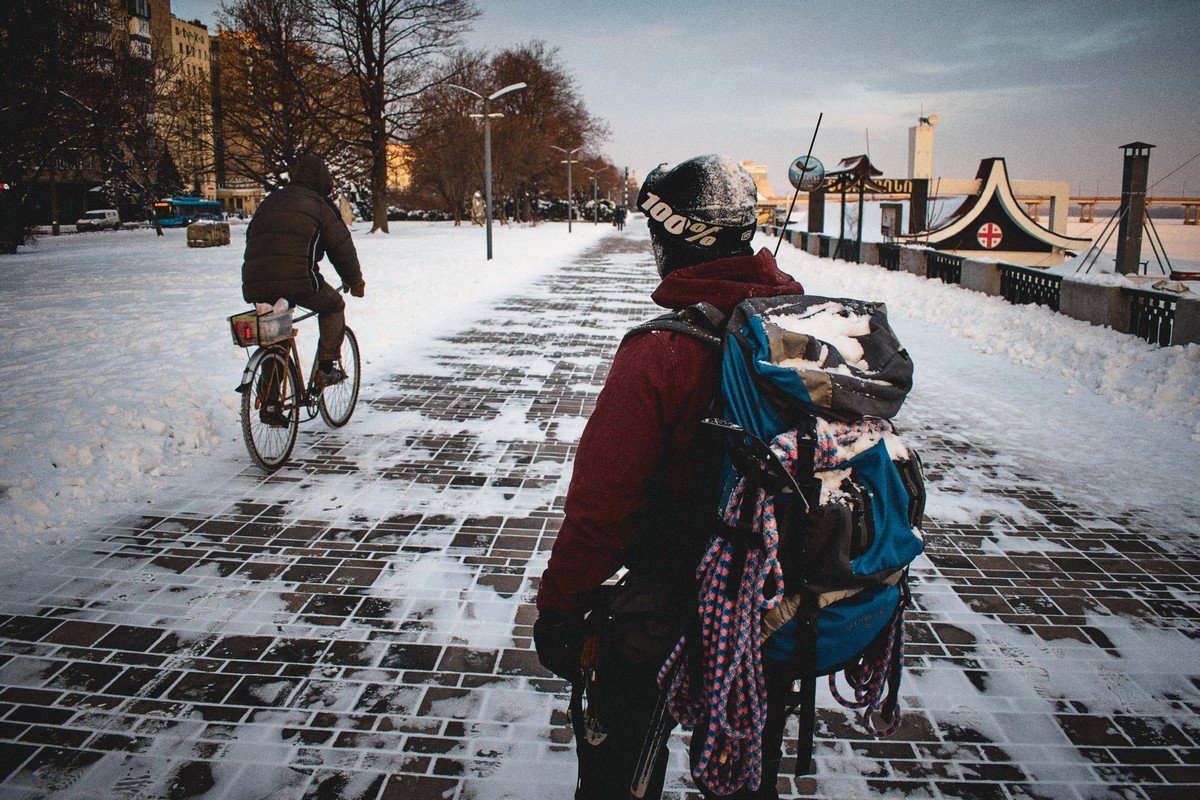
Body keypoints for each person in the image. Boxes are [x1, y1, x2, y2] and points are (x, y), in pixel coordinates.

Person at [533, 155, 805, 800]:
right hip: (773, 602)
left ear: (675, 238)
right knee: (743, 763)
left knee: (617, 766)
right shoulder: (797, 323)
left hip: (668, 602)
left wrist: (561, 604)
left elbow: (602, 505)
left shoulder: (661, 352)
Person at [242, 153, 364, 394]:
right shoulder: (319, 204)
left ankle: (270, 399)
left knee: (277, 330)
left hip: (255, 280)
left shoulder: (271, 200)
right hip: (298, 278)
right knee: (333, 306)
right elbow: (341, 247)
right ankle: (326, 368)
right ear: (322, 179)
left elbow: (252, 237)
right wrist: (354, 280)